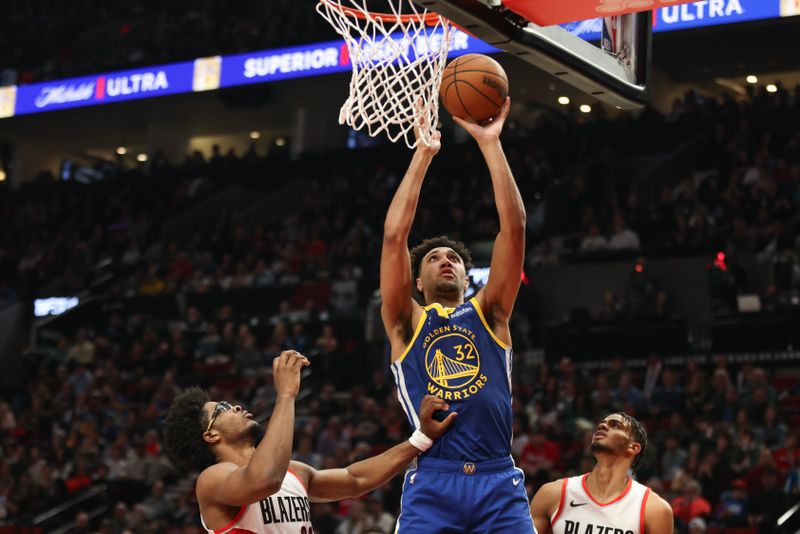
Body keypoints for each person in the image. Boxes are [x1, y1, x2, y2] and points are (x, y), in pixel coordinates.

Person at [381, 99, 534, 532]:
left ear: (468, 277)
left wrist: (490, 143)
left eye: (453, 258)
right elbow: (394, 238)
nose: (445, 261)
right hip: (433, 479)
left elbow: (514, 228)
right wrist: (422, 154)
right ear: (417, 282)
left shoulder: (491, 312)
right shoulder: (405, 321)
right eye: (433, 259)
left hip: (498, 479)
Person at [162, 350, 455, 533]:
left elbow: (355, 480)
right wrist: (287, 395)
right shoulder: (212, 481)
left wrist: (421, 438)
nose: (236, 406)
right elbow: (264, 479)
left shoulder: (294, 473)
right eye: (222, 409)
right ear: (211, 435)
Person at [530, 413, 673, 534]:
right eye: (601, 424)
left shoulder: (654, 509)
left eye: (615, 425)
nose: (602, 426)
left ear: (633, 447)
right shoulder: (553, 493)